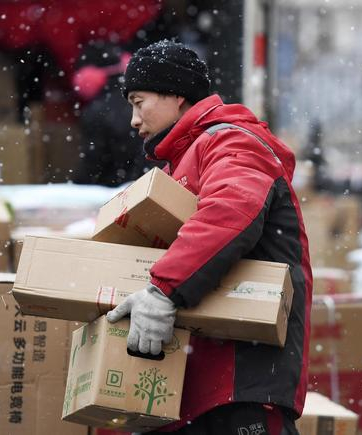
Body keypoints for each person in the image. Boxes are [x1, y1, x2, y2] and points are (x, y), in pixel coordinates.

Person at [106, 40, 313, 435]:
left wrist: (162, 291)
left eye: (138, 102)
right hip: (194, 390)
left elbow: (229, 213)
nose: (133, 120)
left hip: (239, 385)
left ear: (176, 95)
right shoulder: (181, 163)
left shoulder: (231, 141)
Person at [73, 42, 154, 186]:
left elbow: (93, 164)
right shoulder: (143, 98)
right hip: (148, 182)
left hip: (116, 189)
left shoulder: (97, 111)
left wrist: (75, 187)